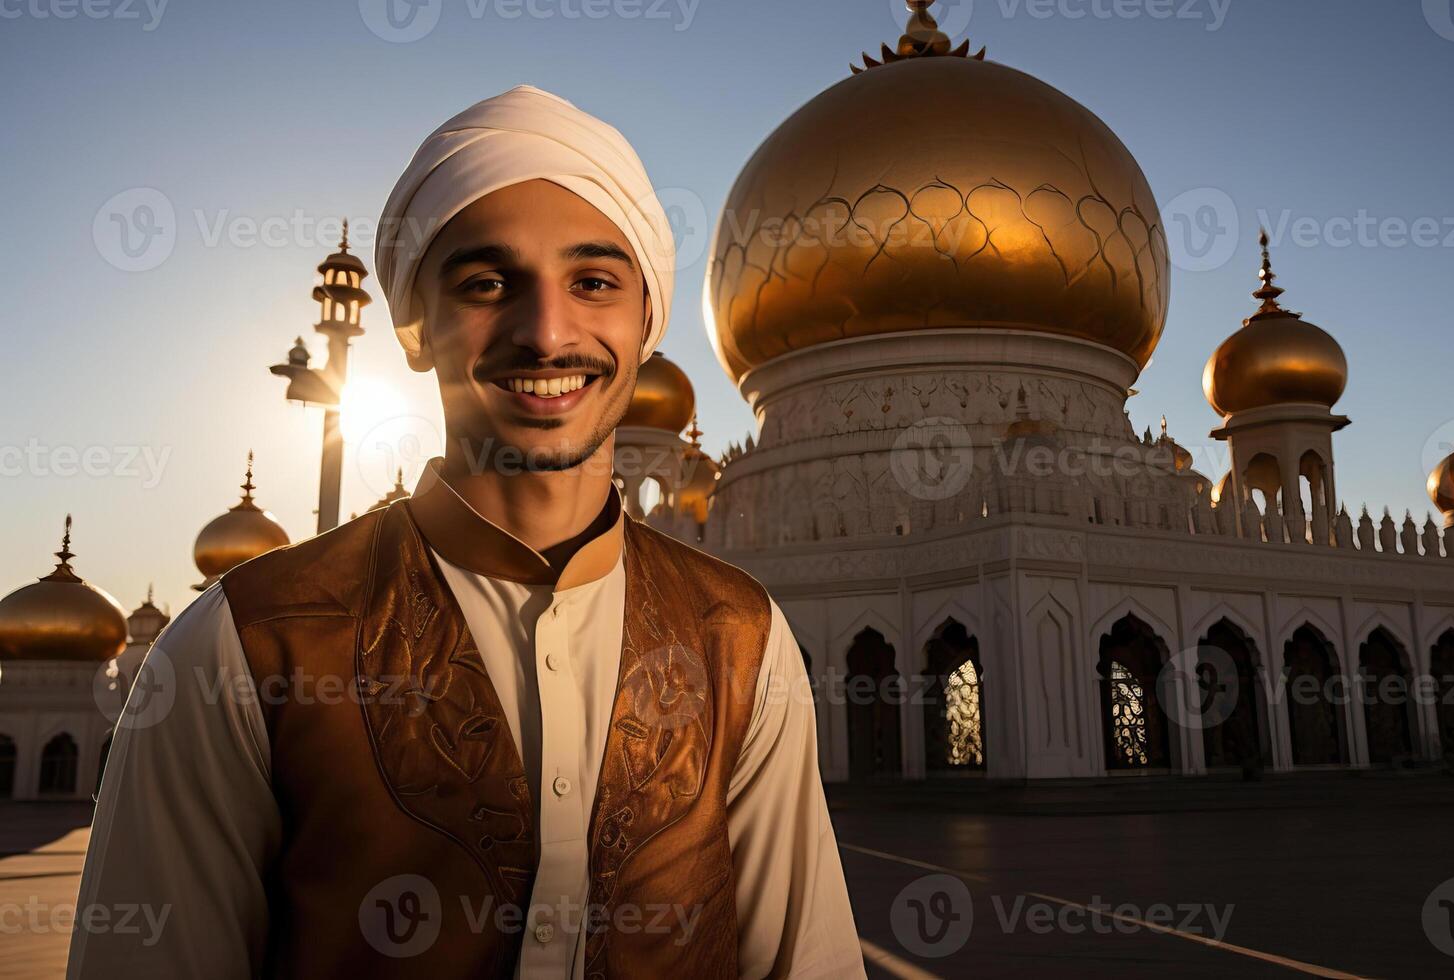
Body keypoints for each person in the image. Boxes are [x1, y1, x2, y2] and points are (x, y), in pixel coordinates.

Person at [67, 84, 865, 979]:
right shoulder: (246, 648)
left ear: (648, 324)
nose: (546, 331)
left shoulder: (740, 640)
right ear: (416, 327)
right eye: (487, 283)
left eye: (594, 282)